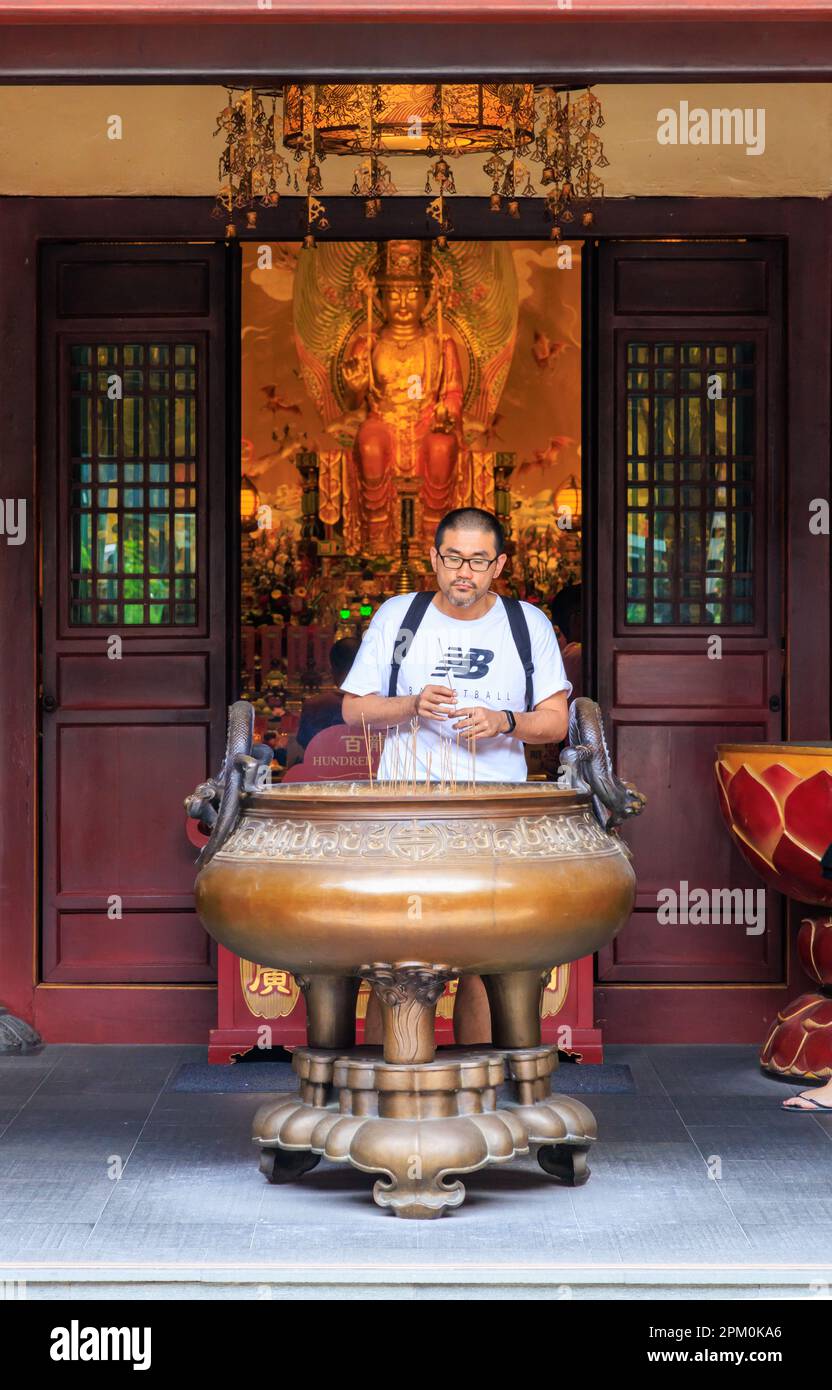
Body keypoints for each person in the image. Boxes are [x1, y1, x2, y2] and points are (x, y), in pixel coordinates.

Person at [340, 506, 572, 1044]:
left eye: (477, 560)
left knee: (483, 961)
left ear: (499, 564)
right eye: (452, 559)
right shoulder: (400, 617)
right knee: (393, 960)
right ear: (434, 558)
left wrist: (504, 721)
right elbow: (355, 708)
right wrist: (412, 706)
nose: (463, 572)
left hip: (493, 818)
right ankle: (384, 1092)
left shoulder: (526, 624)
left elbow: (557, 722)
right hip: (404, 815)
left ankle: (479, 1089)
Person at [296, 638, 361, 751]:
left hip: (322, 766)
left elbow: (304, 742)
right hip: (368, 767)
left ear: (332, 670)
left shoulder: (315, 705)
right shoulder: (377, 703)